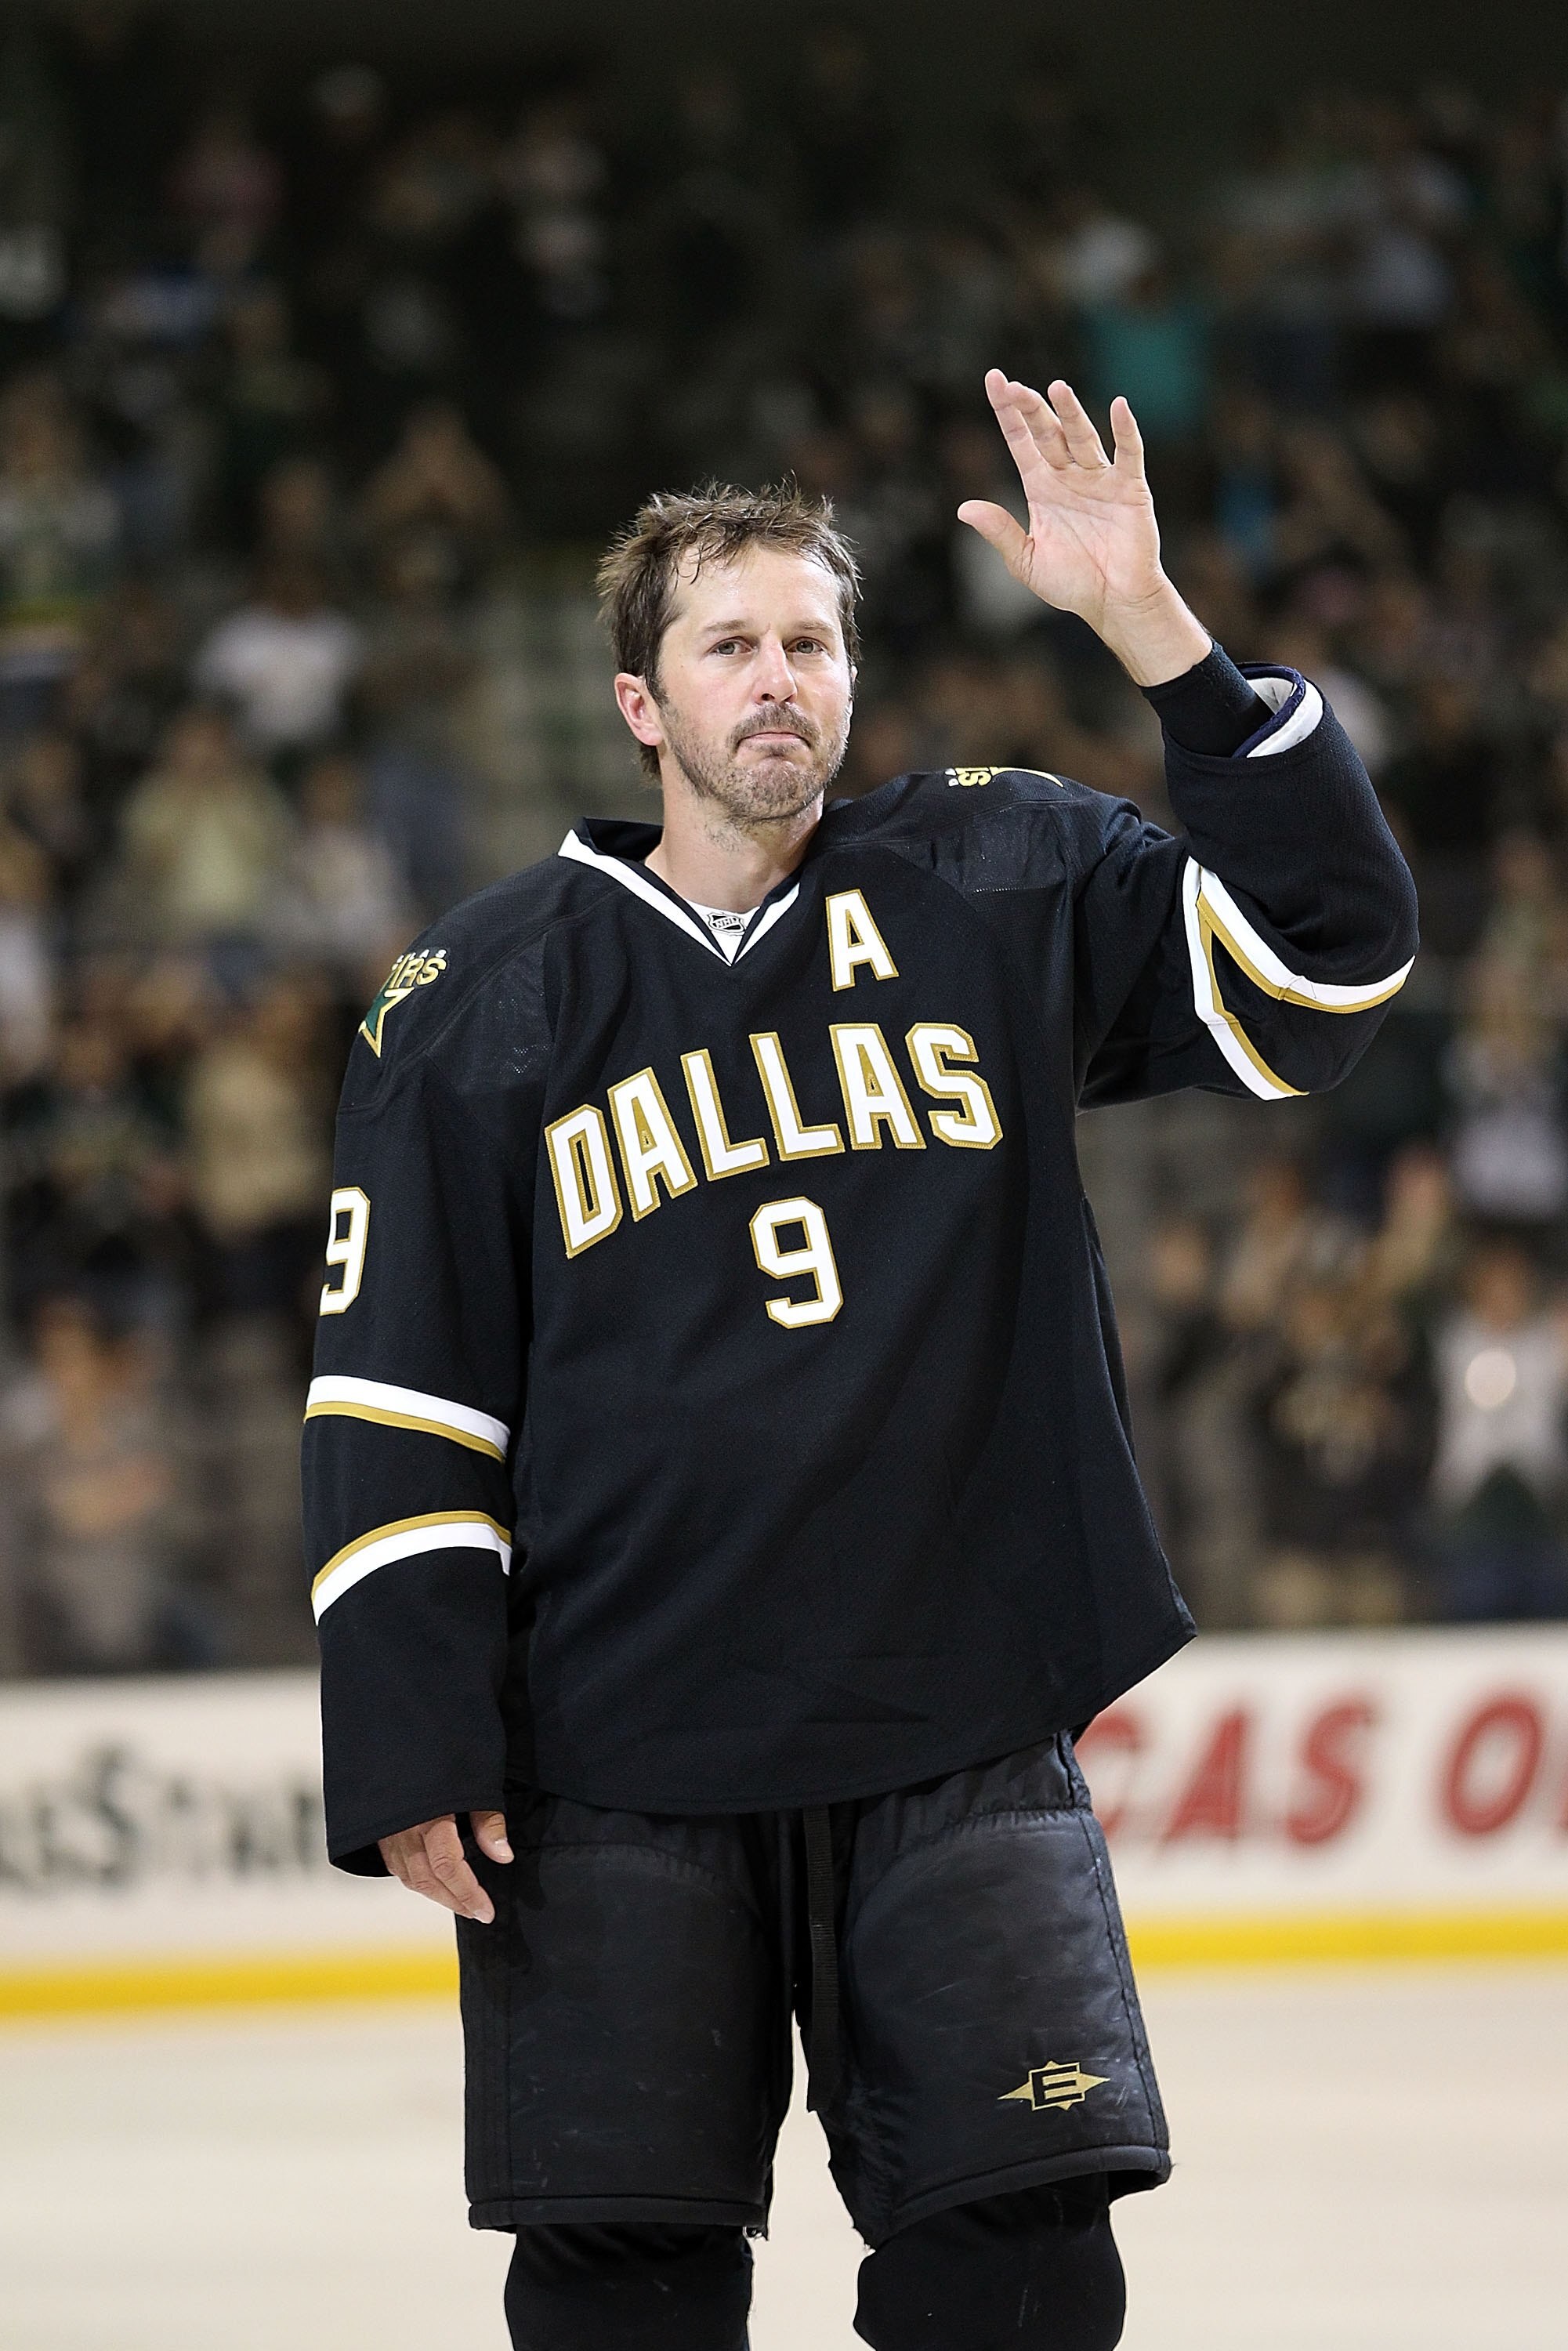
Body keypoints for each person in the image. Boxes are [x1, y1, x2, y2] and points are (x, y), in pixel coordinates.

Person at [302, 372, 1418, 2351]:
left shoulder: (1001, 881)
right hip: (615, 1754)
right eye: (725, 646)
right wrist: (415, 1735)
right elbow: (401, 1399)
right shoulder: (475, 1003)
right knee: (618, 2284)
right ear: (639, 704)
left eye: (809, 640)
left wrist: (1154, 634)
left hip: (954, 1720)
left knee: (1022, 2272)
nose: (777, 680)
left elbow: (1328, 964)